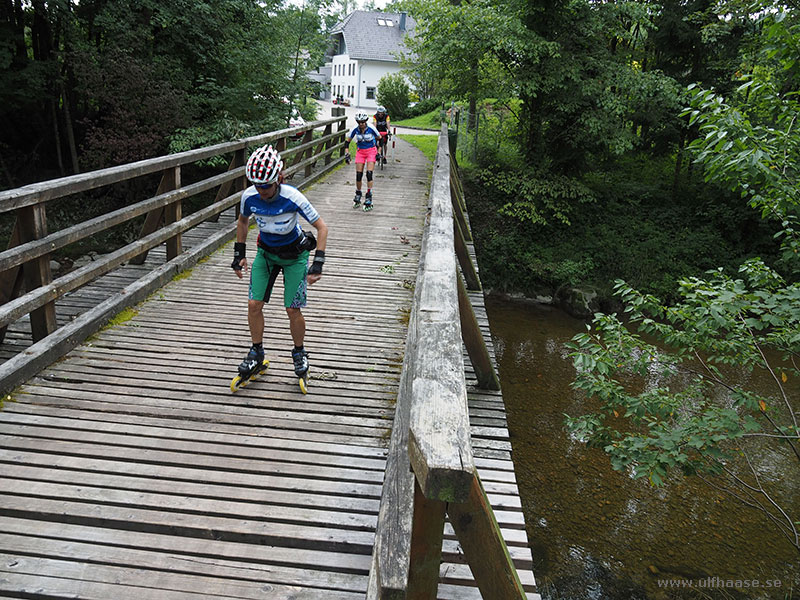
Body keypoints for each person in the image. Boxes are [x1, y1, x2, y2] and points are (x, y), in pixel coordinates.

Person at [231, 144, 328, 385]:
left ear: (279, 179)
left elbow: (322, 227)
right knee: (254, 304)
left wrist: (318, 263)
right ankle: (256, 352)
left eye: (265, 185)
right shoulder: (249, 196)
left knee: (292, 309)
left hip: (294, 256)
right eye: (256, 185)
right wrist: (239, 253)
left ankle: (299, 352)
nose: (261, 190)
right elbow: (242, 222)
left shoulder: (292, 197)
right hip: (266, 254)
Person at [344, 112, 381, 211]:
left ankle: (369, 195)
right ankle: (358, 193)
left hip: (371, 151)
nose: (361, 124)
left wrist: (379, 152)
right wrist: (347, 155)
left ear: (366, 121)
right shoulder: (355, 129)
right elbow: (347, 142)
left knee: (369, 173)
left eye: (363, 122)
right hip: (360, 152)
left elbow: (380, 139)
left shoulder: (371, 128)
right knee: (359, 174)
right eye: (359, 122)